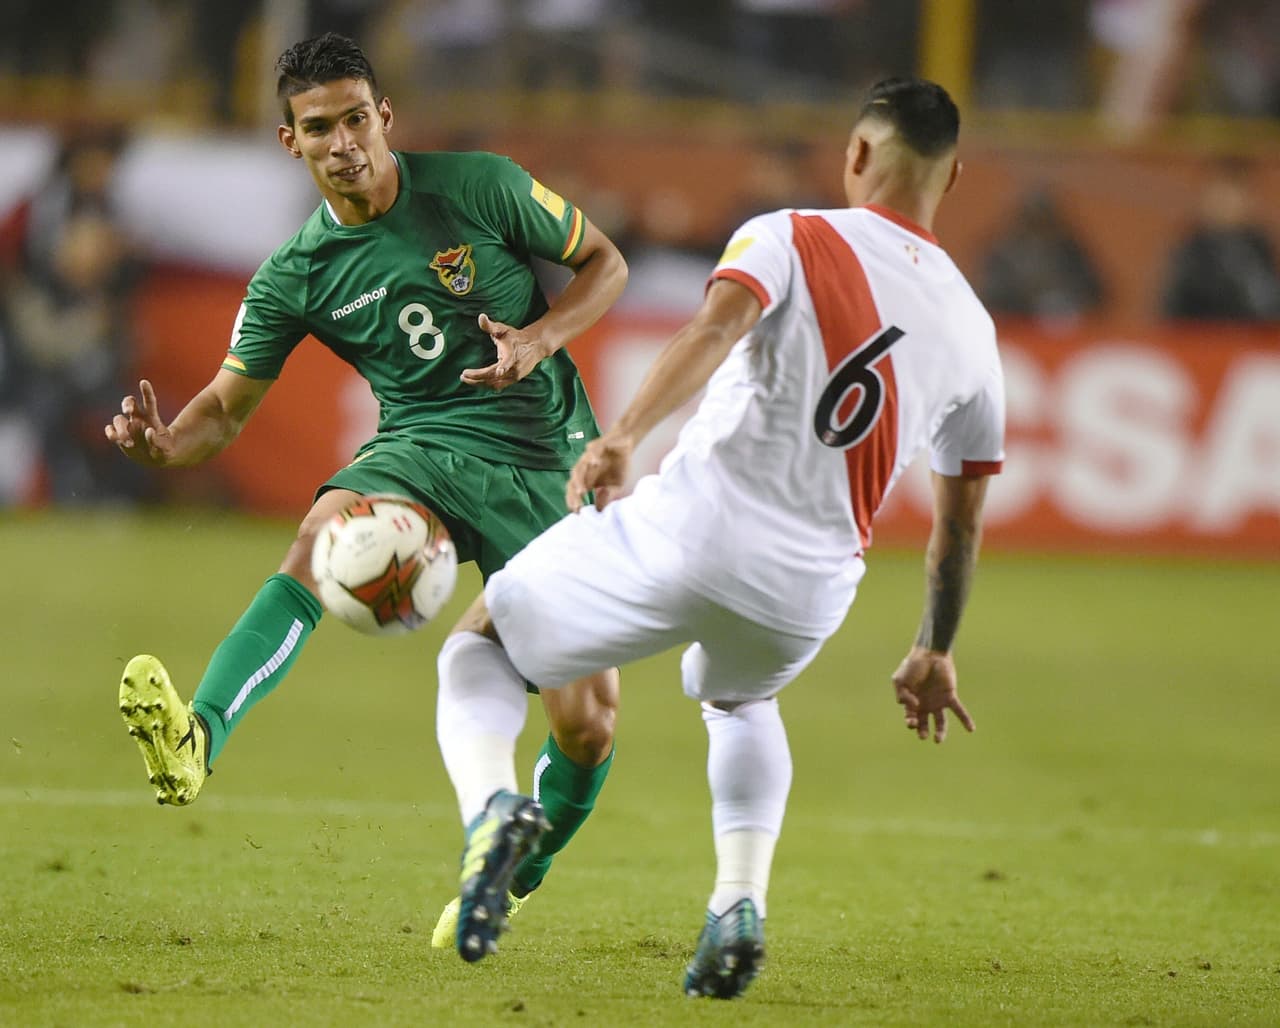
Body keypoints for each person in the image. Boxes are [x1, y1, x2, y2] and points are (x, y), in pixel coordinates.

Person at [433, 77, 1005, 998]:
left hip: (695, 529)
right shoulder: (976, 332)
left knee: (483, 647)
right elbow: (960, 524)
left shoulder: (792, 234)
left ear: (857, 155)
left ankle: (494, 809)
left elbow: (713, 327)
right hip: (810, 590)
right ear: (954, 176)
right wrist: (935, 649)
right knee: (738, 702)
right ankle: (738, 901)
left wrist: (622, 437)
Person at [104, 33, 628, 940]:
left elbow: (606, 266)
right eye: (320, 127)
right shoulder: (295, 275)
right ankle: (197, 740)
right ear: (290, 143)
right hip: (419, 447)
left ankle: (512, 872)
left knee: (587, 723)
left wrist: (540, 338)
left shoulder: (482, 185)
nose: (344, 141)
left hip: (544, 459)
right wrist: (165, 444)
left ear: (385, 116)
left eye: (356, 119)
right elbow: (220, 415)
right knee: (319, 537)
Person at [1159, 157, 1280, 321]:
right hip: (1202, 339)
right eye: (1221, 192)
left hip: (1251, 340)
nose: (1228, 202)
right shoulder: (1191, 248)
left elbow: (1269, 303)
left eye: (1238, 193)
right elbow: (1171, 307)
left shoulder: (1259, 247)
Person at [978, 185, 1106, 323]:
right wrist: (1030, 304)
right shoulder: (1002, 254)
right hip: (1016, 329)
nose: (1038, 228)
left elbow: (1098, 291)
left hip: (1067, 330)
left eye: (1044, 220)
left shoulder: (1070, 252)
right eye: (1033, 220)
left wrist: (1065, 300)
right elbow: (991, 296)